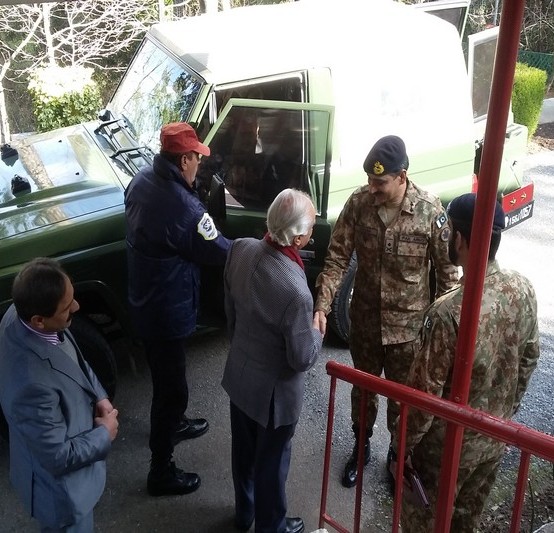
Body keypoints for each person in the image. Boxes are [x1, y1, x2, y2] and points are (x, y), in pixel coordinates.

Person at [313, 135, 458, 488]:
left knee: (402, 399)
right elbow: (337, 258)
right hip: (365, 323)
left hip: (408, 332)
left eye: (380, 182)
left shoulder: (430, 211)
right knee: (363, 391)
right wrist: (323, 304)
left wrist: (442, 334)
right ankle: (360, 447)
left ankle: (398, 455)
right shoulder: (359, 203)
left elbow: (448, 278)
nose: (372, 188)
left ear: (401, 176)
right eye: (369, 180)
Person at [392, 193, 540, 533]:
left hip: (445, 453)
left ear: (459, 239)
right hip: (493, 441)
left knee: (423, 525)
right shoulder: (522, 289)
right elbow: (530, 358)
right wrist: (504, 412)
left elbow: (423, 398)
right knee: (465, 525)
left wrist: (402, 446)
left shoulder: (448, 312)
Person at [124, 122, 231, 496]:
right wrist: (251, 249)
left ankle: (176, 423)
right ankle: (161, 470)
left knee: (164, 377)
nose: (199, 164)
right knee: (170, 391)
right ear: (184, 159)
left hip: (145, 300)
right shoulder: (185, 208)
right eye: (196, 158)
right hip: (167, 311)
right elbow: (217, 249)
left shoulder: (141, 181)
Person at [222, 189, 324, 533]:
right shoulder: (296, 291)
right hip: (273, 398)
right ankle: (272, 526)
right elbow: (302, 357)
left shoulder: (240, 248)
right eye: (311, 226)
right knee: (272, 463)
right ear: (297, 238)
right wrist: (317, 330)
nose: (313, 231)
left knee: (243, 453)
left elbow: (231, 313)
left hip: (240, 376)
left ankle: (244, 513)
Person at [0, 258, 119, 532]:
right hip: (63, 497)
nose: (76, 307)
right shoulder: (30, 386)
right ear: (39, 321)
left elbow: (74, 357)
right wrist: (105, 433)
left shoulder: (21, 313)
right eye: (66, 308)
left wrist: (99, 396)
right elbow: (57, 456)